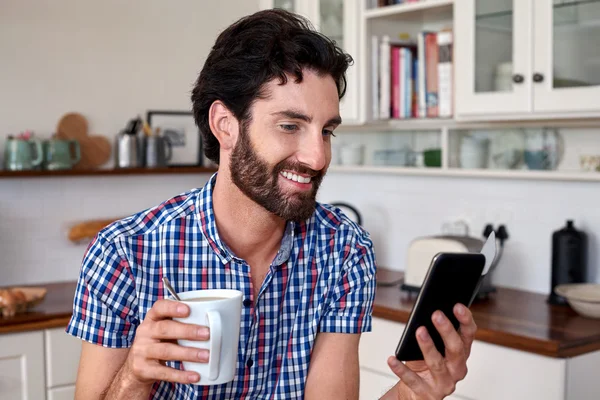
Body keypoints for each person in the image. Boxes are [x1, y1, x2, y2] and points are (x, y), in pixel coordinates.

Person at [66, 8, 477, 400]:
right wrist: (135, 375)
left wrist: (409, 392)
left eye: (327, 131)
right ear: (225, 126)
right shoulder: (123, 252)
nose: (317, 158)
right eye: (290, 126)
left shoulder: (344, 250)